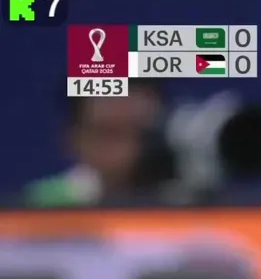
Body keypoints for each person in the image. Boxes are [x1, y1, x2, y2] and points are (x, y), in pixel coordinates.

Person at [24, 79, 165, 207]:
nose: (126, 151)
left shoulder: (176, 198)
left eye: (142, 133)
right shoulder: (40, 206)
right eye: (107, 134)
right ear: (75, 138)